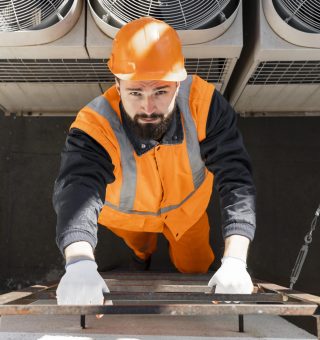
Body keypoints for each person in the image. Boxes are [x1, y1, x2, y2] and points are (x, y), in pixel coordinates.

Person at [53, 17, 256, 305]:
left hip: (187, 212)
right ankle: (141, 257)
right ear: (117, 84)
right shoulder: (94, 126)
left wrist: (236, 258)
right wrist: (78, 261)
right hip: (128, 217)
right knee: (140, 244)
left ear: (177, 82)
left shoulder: (205, 105)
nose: (148, 108)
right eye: (135, 92)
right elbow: (77, 188)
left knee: (196, 265)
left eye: (160, 92)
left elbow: (236, 179)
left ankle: (166, 260)